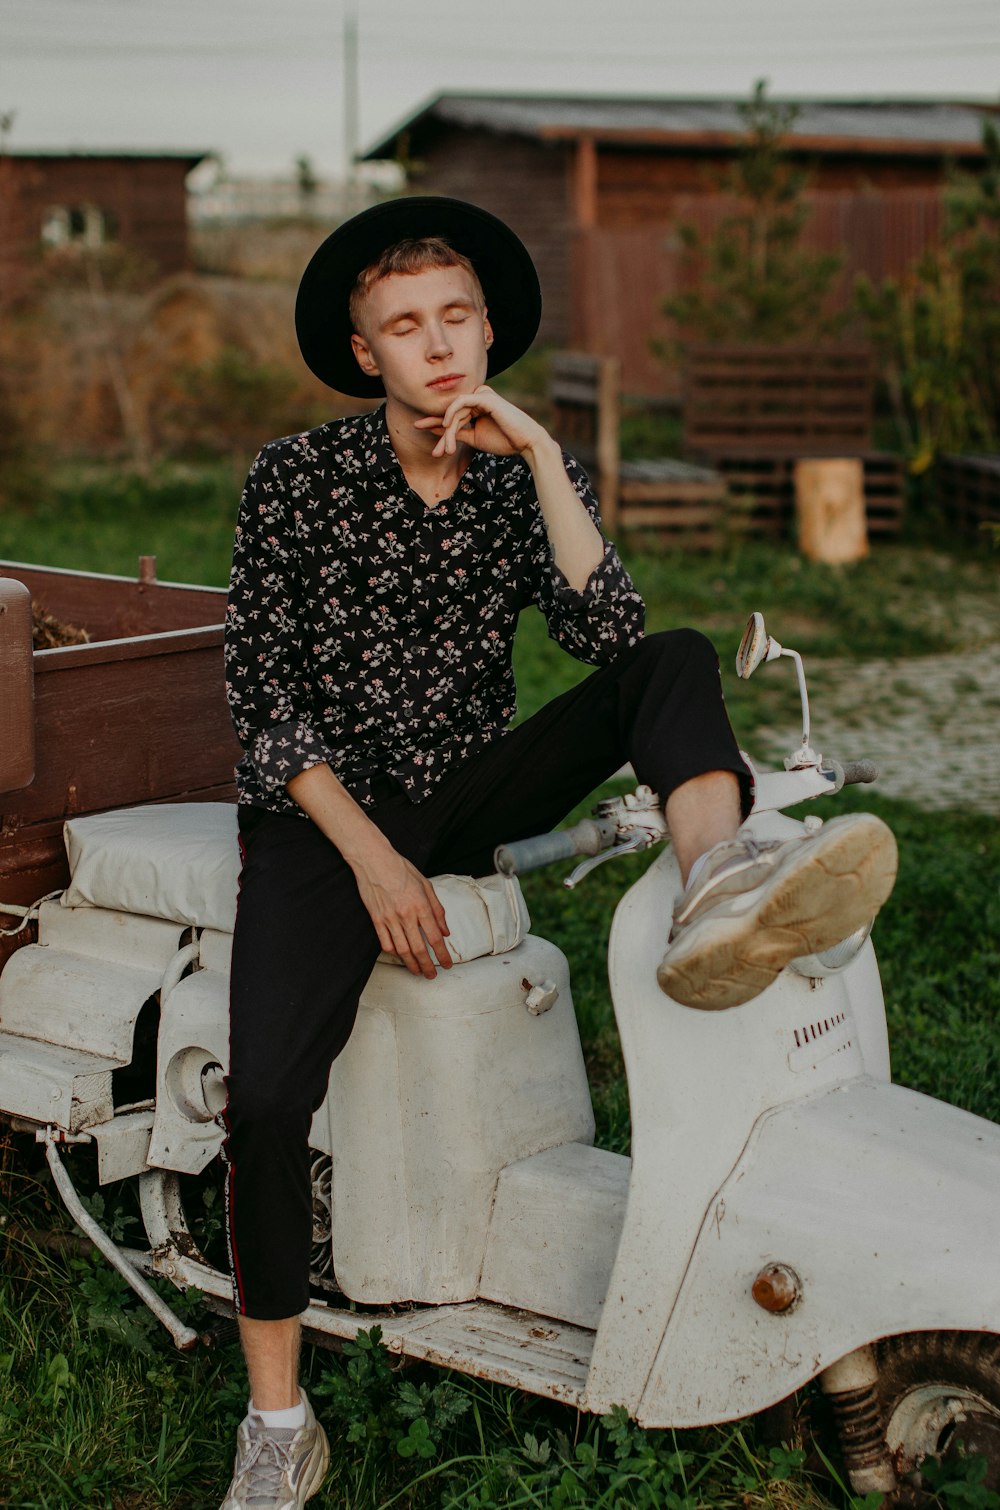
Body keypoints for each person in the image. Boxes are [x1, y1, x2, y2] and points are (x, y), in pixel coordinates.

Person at [219, 196, 896, 1508]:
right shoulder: (294, 479)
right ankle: (279, 1418)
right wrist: (370, 862)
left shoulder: (517, 467)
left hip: (462, 789)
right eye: (406, 326)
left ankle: (719, 888)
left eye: (458, 318)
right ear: (366, 350)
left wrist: (534, 451)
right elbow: (263, 702)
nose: (440, 347)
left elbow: (608, 629)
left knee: (676, 657)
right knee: (260, 1099)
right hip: (323, 817)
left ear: (486, 328)